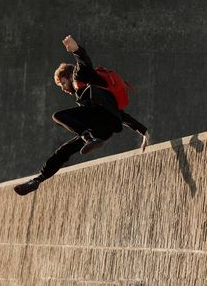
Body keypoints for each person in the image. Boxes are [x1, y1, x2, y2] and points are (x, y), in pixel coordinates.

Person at [14, 35, 149, 196]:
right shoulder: (89, 93)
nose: (64, 88)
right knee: (64, 150)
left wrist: (76, 49)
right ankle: (37, 180)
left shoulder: (79, 75)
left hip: (98, 119)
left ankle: (88, 137)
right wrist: (144, 132)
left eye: (62, 83)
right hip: (104, 129)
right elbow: (120, 114)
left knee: (58, 116)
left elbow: (84, 61)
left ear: (69, 76)